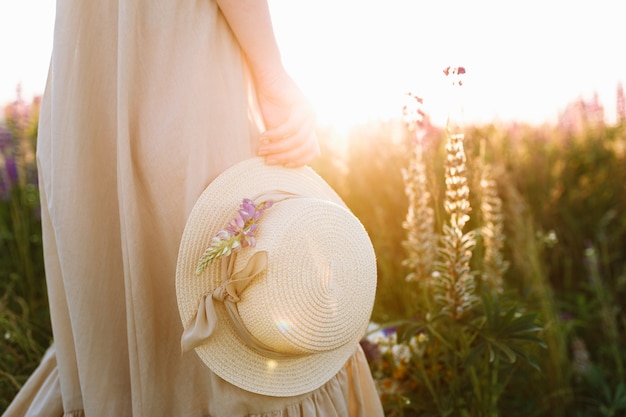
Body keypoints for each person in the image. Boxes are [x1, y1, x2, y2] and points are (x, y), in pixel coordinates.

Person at [3, 0, 384, 416]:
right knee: (229, 322)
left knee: (125, 332)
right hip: (181, 80)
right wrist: (272, 77)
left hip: (88, 97)